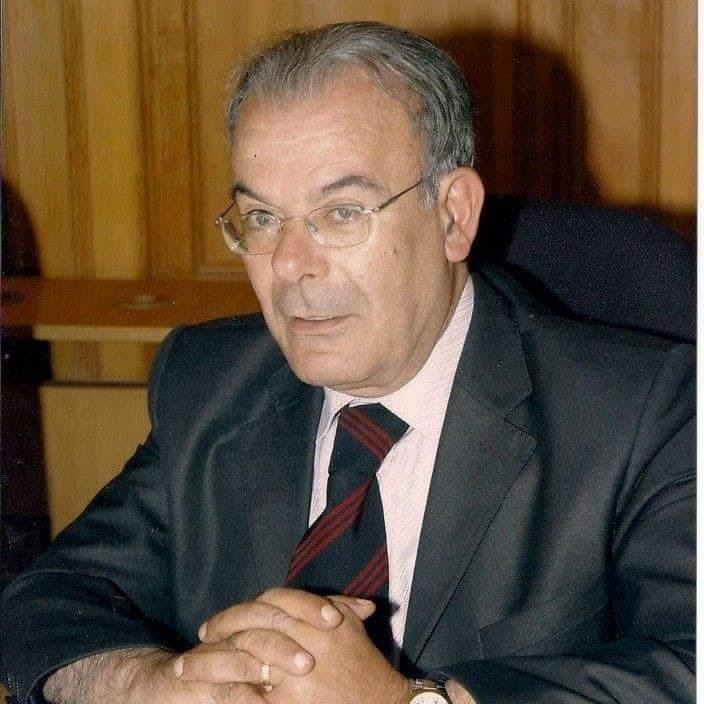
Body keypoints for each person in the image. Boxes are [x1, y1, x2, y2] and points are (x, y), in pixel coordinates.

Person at [1, 21, 694, 704]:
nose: (290, 265)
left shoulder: (643, 412)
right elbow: (45, 602)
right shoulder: (212, 383)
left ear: (453, 215)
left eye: (341, 213)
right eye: (262, 218)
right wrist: (150, 685)